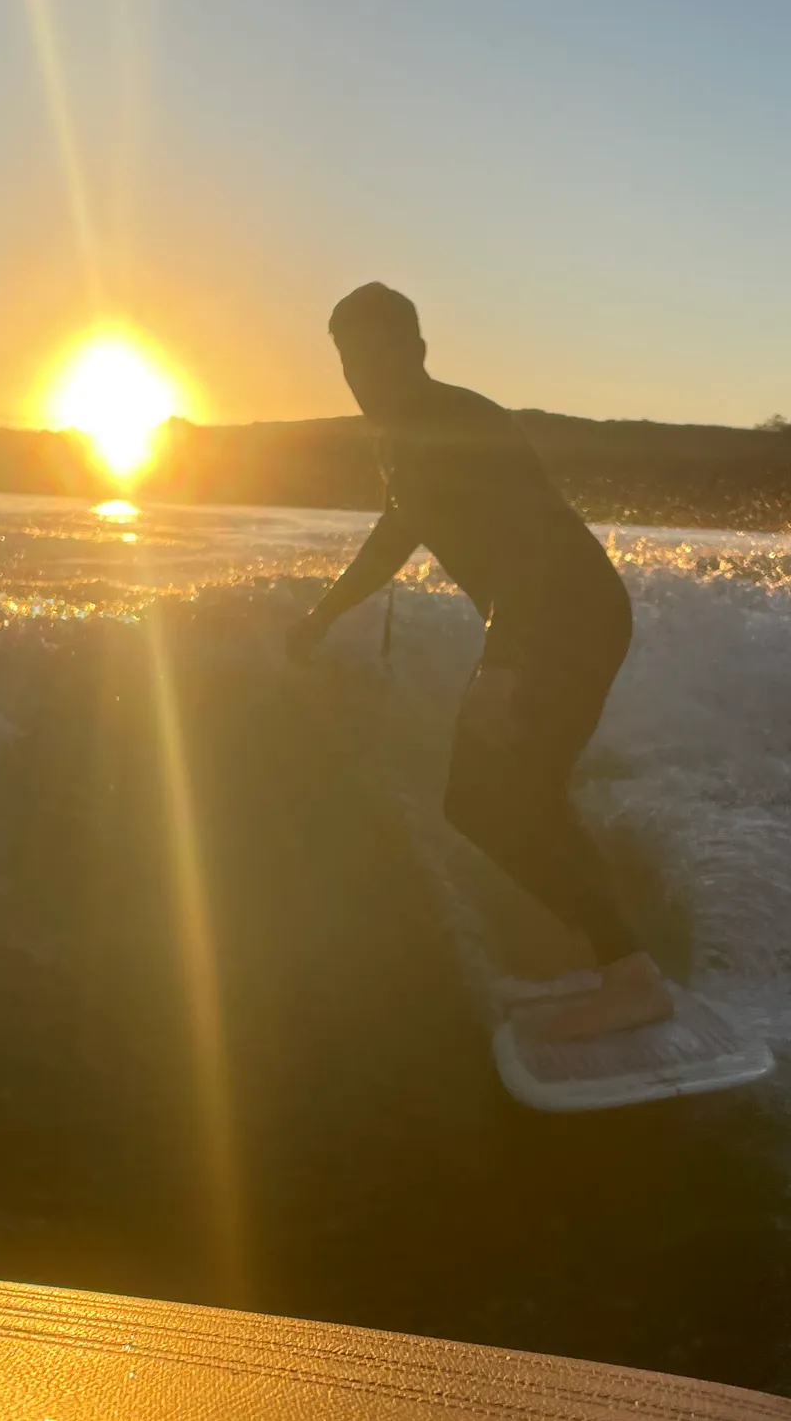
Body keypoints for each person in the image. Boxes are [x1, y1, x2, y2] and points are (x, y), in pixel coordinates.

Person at [285, 283, 672, 1043]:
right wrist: (324, 615)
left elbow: (531, 551)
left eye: (375, 357)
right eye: (346, 361)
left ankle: (632, 978)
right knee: (505, 799)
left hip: (569, 618)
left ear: (417, 352)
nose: (360, 376)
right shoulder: (399, 436)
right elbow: (397, 532)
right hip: (546, 624)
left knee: (491, 796)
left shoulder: (461, 423)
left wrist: (503, 667)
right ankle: (616, 965)